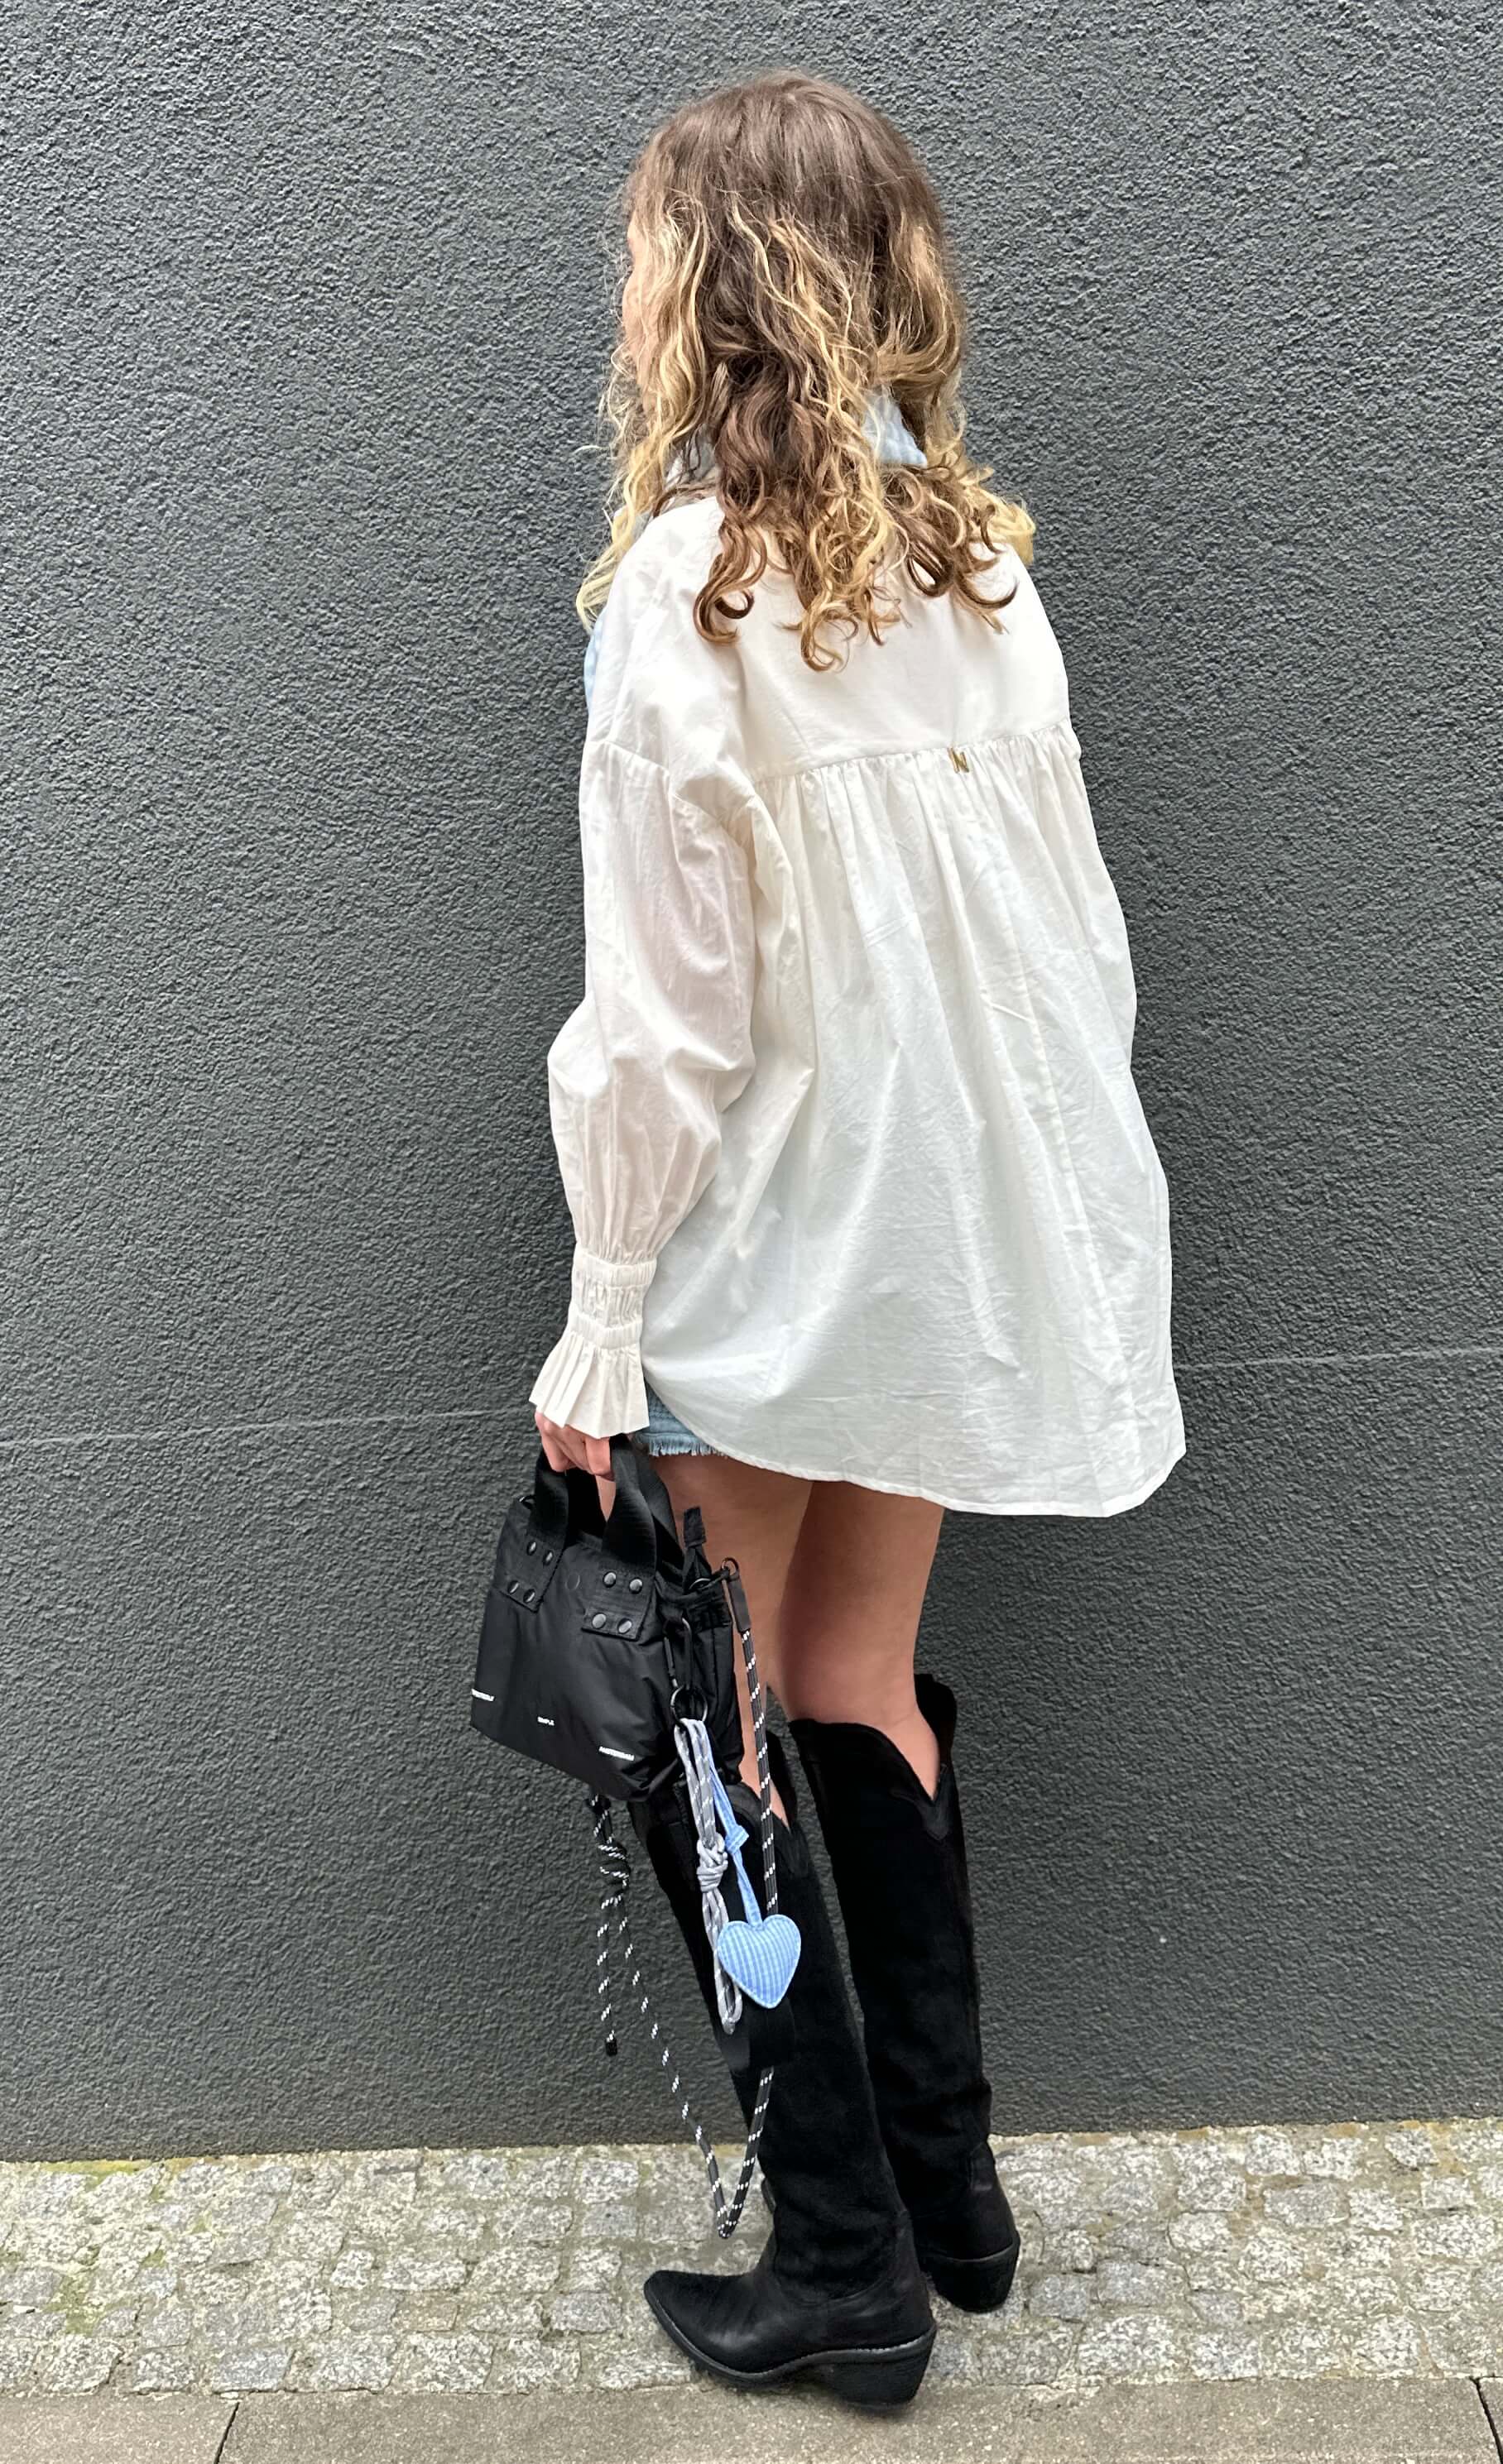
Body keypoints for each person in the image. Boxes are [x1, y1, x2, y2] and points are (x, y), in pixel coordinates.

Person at [527, 69, 1185, 2409]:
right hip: (943, 1239)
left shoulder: (685, 602)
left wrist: (603, 1318)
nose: (621, 296)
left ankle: (842, 2265)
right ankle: (948, 2194)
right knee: (850, 1673)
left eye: (643, 255)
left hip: (769, 1239)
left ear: (707, 292)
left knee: (710, 1730)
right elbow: (1070, 942)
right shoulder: (981, 572)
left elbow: (662, 1027)